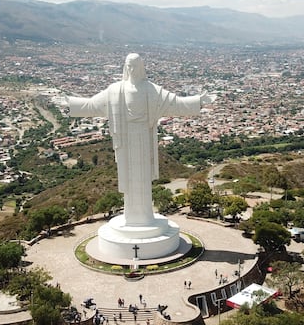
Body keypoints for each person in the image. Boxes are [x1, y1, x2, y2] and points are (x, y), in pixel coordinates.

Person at [62, 53, 215, 226]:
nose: (131, 69)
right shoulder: (115, 90)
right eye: (128, 65)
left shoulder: (150, 89)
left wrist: (198, 101)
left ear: (141, 67)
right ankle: (131, 216)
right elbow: (91, 105)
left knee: (142, 179)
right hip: (125, 139)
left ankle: (144, 217)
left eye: (134, 65)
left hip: (143, 137)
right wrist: (71, 103)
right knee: (128, 178)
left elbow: (175, 103)